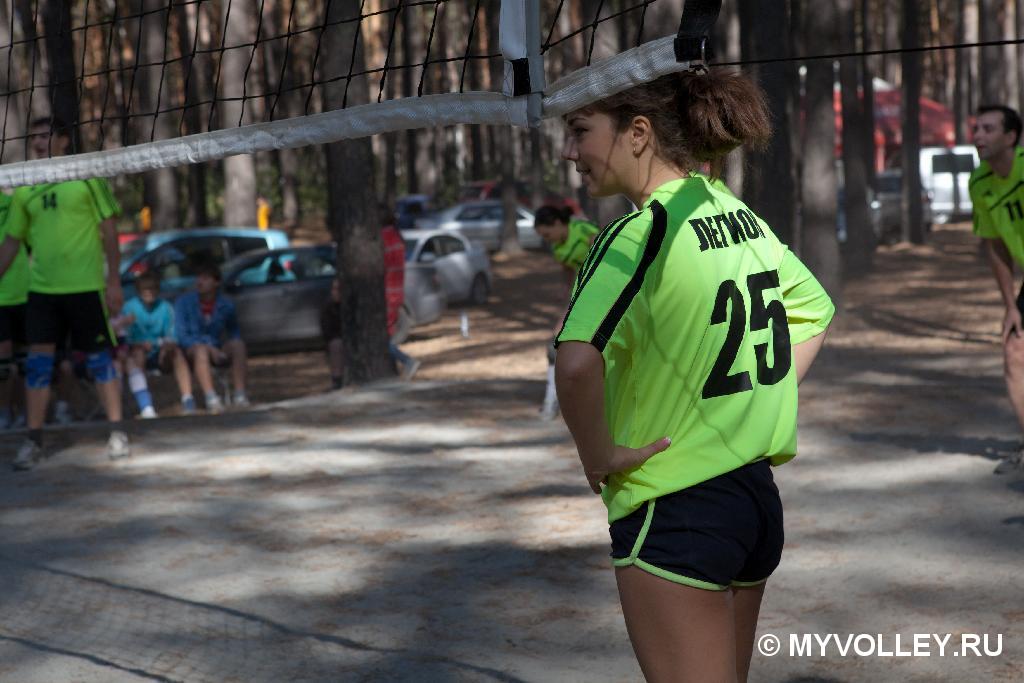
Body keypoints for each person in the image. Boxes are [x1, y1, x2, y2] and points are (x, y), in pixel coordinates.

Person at [553, 68, 835, 681]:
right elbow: (814, 311)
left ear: (637, 133)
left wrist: (599, 456)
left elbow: (574, 365)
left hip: (675, 508)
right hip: (753, 498)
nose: (569, 152)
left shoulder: (638, 233)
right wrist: (756, 401)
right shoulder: (735, 213)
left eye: (579, 131)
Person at [0, 117, 129, 470]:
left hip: (86, 288)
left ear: (64, 140)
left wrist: (114, 282)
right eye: (34, 137)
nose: (38, 142)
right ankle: (34, 441)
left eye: (45, 136)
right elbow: (11, 243)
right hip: (42, 292)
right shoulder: (25, 185)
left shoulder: (87, 175)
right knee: (38, 366)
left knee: (100, 361)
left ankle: (117, 432)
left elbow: (110, 232)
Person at [969, 104, 1024, 474]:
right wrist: (1011, 305)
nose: (978, 136)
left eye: (988, 129)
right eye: (976, 129)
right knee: (1014, 350)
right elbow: (996, 246)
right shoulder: (979, 183)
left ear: (1011, 137)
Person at [534, 205, 600, 419]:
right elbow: (568, 271)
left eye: (547, 234)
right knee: (554, 346)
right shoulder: (558, 249)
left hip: (601, 295)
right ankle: (551, 401)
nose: (547, 240)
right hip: (580, 298)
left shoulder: (582, 230)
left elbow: (605, 252)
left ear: (557, 223)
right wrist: (564, 289)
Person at [174, 261, 249, 413]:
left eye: (206, 278)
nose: (200, 282)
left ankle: (240, 394)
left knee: (238, 345)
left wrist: (223, 347)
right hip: (191, 349)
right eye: (198, 277)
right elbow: (181, 335)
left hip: (215, 347)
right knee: (201, 351)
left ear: (216, 282)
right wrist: (207, 346)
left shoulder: (226, 305)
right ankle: (211, 397)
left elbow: (233, 330)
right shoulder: (184, 303)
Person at [122, 271, 195, 416]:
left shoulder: (166, 307)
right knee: (138, 354)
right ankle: (145, 404)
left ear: (157, 290)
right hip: (138, 352)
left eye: (152, 289)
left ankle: (188, 398)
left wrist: (165, 345)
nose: (149, 293)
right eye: (145, 289)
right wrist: (139, 344)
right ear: (138, 291)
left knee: (176, 353)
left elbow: (173, 334)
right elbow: (125, 337)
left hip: (160, 353)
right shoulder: (128, 308)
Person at [0, 190, 28, 430]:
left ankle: (26, 412)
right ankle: (4, 410)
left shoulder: (16, 200)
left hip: (25, 292)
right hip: (1, 300)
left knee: (25, 361)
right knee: (4, 360)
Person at [382, 216, 420, 380]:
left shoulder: (385, 237)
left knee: (381, 339)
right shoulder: (397, 237)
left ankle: (406, 360)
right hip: (396, 293)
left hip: (387, 293)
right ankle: (396, 369)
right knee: (387, 335)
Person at [320, 277, 344, 390]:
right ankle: (337, 379)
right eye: (334, 289)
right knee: (336, 345)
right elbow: (327, 331)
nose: (336, 292)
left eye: (338, 289)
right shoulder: (328, 308)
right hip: (336, 339)